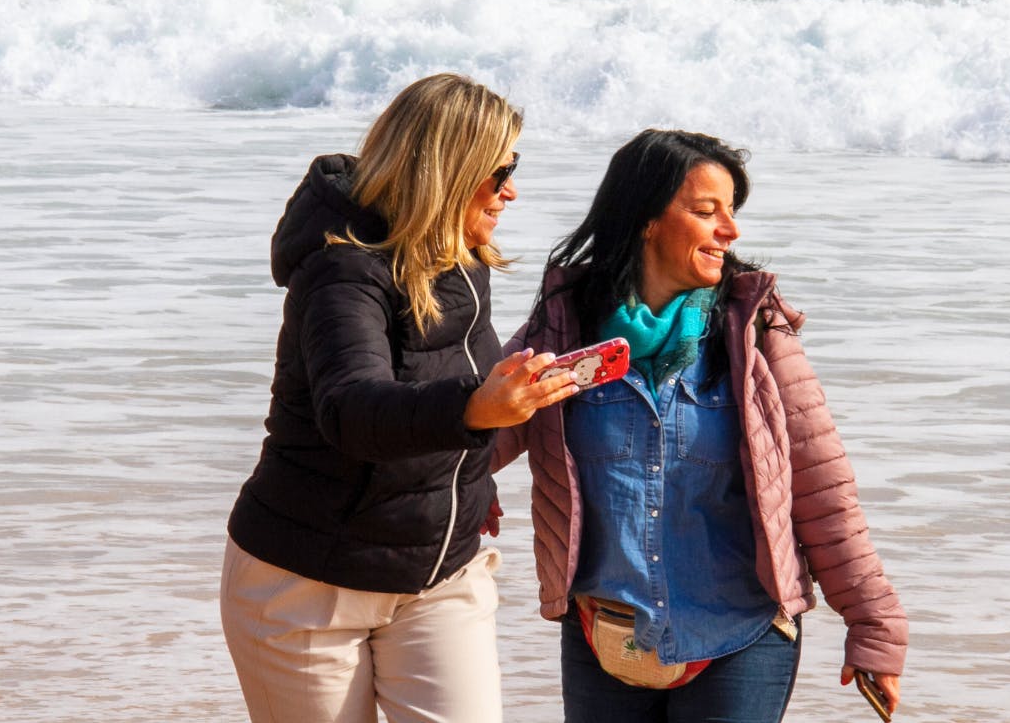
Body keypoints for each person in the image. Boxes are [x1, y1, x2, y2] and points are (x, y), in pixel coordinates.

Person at [491, 129, 908, 722]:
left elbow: (823, 491)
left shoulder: (755, 335)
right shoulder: (567, 329)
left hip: (739, 636)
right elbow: (477, 431)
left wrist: (874, 627)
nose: (730, 230)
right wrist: (457, 489)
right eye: (707, 211)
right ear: (646, 219)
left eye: (731, 212)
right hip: (603, 637)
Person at [221, 73, 580, 723]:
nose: (511, 189)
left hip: (440, 574)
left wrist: (467, 476)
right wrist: (476, 410)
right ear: (449, 169)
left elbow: (439, 377)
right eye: (500, 170)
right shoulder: (342, 269)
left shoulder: (462, 257)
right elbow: (351, 408)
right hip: (305, 587)